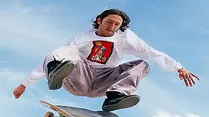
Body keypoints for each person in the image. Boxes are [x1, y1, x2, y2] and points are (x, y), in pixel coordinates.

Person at [13, 9, 199, 111]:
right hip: (80, 77)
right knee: (67, 50)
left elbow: (151, 52)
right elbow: (55, 55)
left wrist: (178, 68)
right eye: (110, 22)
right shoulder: (82, 37)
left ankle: (116, 97)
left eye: (117, 24)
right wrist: (25, 84)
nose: (113, 27)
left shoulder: (126, 37)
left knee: (142, 64)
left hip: (105, 82)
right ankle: (55, 73)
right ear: (100, 20)